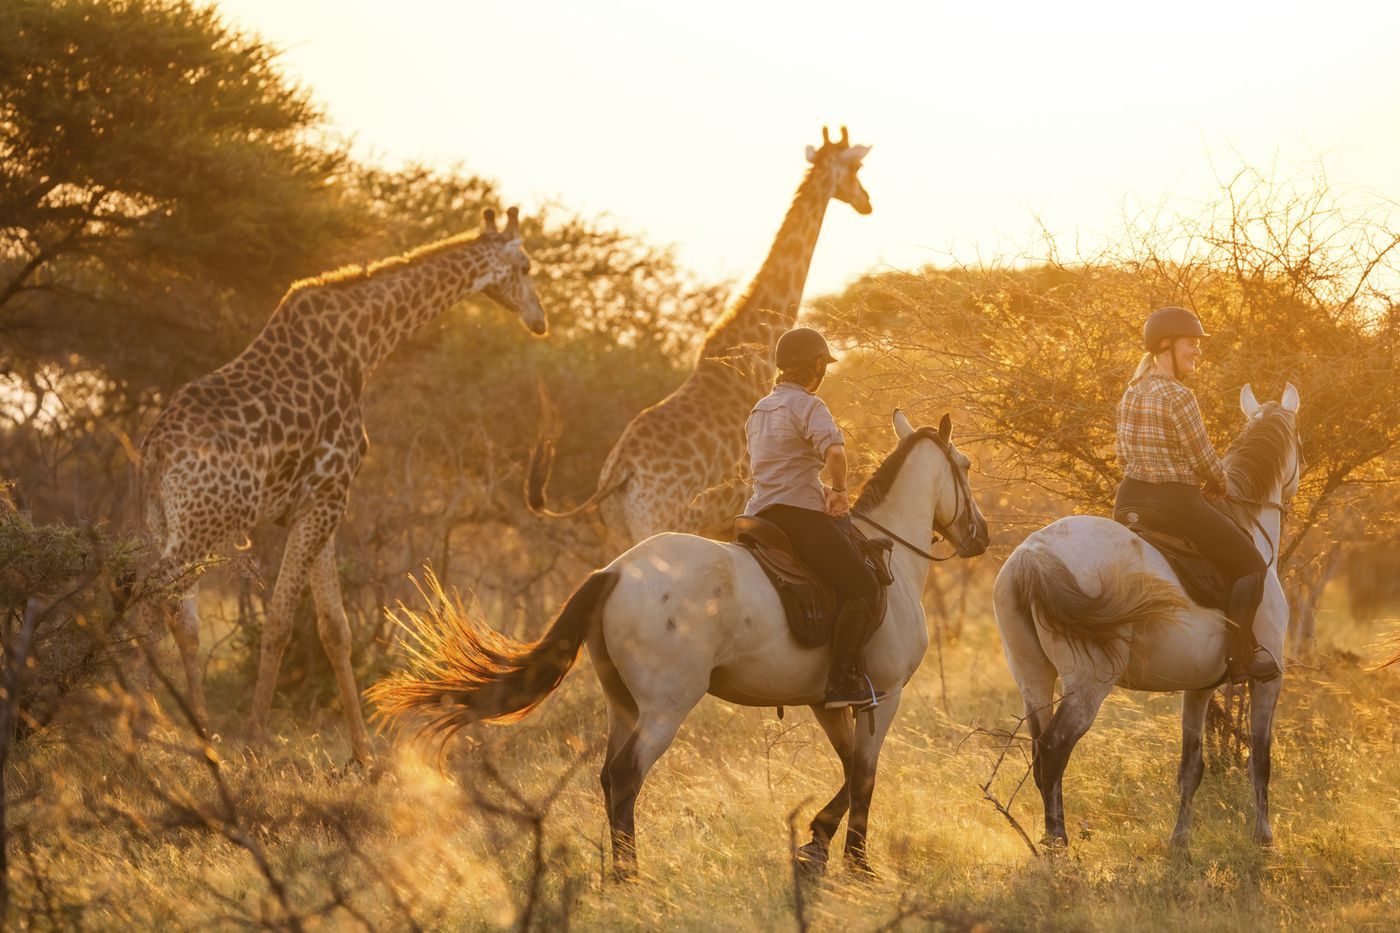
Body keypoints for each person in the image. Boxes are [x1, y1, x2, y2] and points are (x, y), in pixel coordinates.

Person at [1114, 306, 1279, 682]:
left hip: (1129, 502)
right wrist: (1219, 481)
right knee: (1251, 565)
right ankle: (1241, 658)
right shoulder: (1179, 396)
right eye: (1192, 344)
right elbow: (1204, 458)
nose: (1198, 352)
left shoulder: (1131, 393)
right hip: (1175, 504)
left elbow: (1121, 455)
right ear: (1167, 346)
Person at [744, 327, 882, 708]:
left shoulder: (759, 410)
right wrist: (839, 490)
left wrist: (816, 488)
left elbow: (777, 468)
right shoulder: (809, 406)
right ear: (816, 366)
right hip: (796, 519)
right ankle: (842, 682)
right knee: (863, 587)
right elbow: (835, 456)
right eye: (823, 365)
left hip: (758, 515)